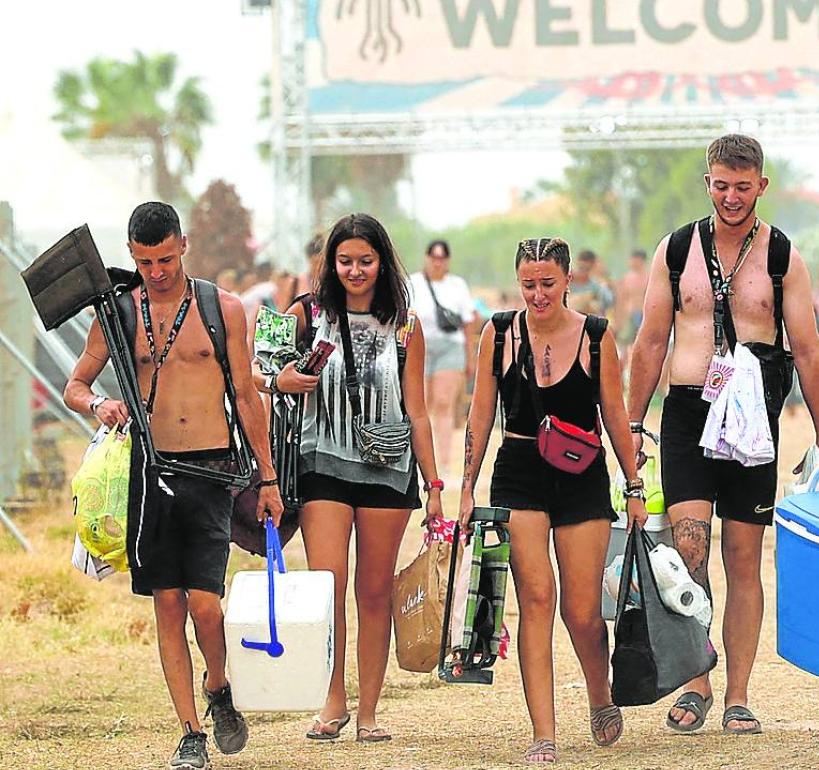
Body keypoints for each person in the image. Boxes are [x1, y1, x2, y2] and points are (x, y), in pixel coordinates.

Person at [627, 134, 819, 736]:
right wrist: (632, 426)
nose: (731, 196)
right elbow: (649, 342)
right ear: (708, 182)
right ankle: (697, 682)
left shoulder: (782, 257)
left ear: (761, 186)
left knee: (743, 557)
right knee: (689, 550)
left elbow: (808, 348)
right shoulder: (676, 250)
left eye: (743, 186)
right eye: (721, 184)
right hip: (689, 414)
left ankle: (738, 694)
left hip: (751, 424)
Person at [64, 201, 284, 770]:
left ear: (182, 244)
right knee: (168, 602)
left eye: (164, 258)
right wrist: (100, 403)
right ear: (132, 256)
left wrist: (267, 477)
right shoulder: (117, 313)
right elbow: (76, 384)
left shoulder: (223, 308)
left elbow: (244, 393)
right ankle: (190, 732)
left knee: (206, 606)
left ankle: (217, 686)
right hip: (151, 471)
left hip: (211, 469)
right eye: (143, 262)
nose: (156, 272)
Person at [255, 213, 442, 743]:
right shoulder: (303, 312)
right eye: (345, 261)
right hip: (321, 468)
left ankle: (370, 713)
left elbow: (419, 410)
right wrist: (281, 379)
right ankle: (332, 700)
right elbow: (250, 371)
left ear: (383, 262)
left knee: (375, 590)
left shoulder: (406, 324)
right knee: (328, 587)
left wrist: (433, 487)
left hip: (388, 469)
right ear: (330, 264)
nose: (355, 270)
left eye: (365, 260)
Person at [459, 237, 645, 763]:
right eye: (528, 285)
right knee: (535, 599)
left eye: (547, 284)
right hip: (518, 471)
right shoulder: (496, 335)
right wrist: (466, 487)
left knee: (582, 611)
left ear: (568, 281)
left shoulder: (596, 337)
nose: (537, 295)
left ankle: (600, 694)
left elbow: (613, 413)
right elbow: (480, 414)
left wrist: (633, 487)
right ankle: (544, 731)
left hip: (582, 473)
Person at [408, 239, 476, 476]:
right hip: (420, 347)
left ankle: (444, 461)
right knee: (421, 405)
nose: (437, 263)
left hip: (450, 347)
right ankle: (423, 461)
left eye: (442, 258)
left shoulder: (457, 286)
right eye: (433, 258)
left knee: (444, 404)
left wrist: (470, 357)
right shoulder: (413, 283)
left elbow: (468, 323)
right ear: (427, 258)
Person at [567, 249, 614, 316]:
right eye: (581, 268)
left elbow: (607, 303)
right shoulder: (565, 282)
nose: (582, 273)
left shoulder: (596, 286)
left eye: (587, 269)